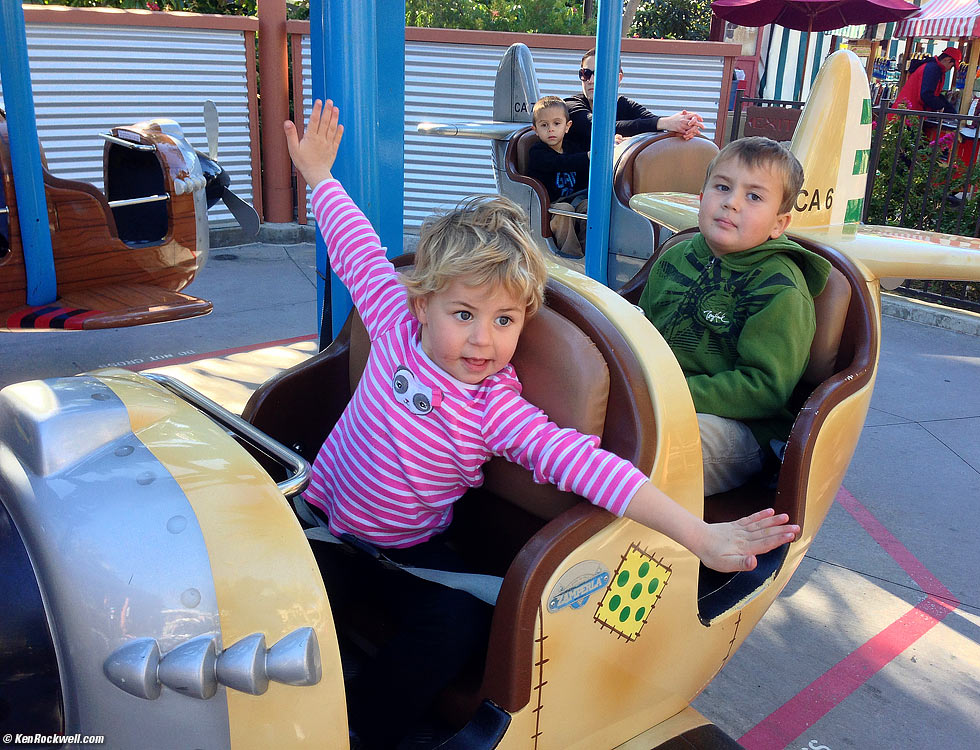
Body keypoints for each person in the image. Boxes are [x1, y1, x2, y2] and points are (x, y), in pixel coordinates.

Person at [284, 100, 799, 749]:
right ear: (424, 301)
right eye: (464, 314)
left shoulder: (496, 407)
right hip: (322, 525)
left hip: (408, 555)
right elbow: (356, 246)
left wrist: (698, 534)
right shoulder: (392, 319)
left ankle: (364, 726)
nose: (482, 340)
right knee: (279, 595)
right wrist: (320, 178)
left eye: (504, 321)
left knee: (457, 622)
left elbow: (595, 469)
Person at [638, 137, 832, 497]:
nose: (732, 202)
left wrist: (666, 395)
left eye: (754, 196)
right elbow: (639, 333)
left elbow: (764, 390)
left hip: (740, 427)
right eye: (722, 187)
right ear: (701, 197)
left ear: (779, 223)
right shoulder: (673, 258)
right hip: (655, 399)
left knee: (651, 454)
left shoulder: (781, 290)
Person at [563, 47, 704, 153]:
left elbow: (655, 126)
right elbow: (596, 126)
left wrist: (684, 128)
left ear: (618, 79)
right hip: (577, 189)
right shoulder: (571, 105)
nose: (591, 80)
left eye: (601, 73)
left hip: (618, 185)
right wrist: (666, 122)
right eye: (586, 74)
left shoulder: (625, 104)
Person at [526, 95, 590, 257]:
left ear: (567, 127)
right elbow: (559, 163)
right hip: (550, 206)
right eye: (544, 125)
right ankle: (572, 256)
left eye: (556, 123)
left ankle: (588, 253)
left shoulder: (573, 147)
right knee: (565, 210)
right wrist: (588, 156)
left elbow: (582, 170)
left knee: (589, 206)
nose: (551, 129)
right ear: (535, 130)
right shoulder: (537, 152)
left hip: (575, 199)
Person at [893, 47, 962, 114]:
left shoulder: (931, 66)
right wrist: (941, 107)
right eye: (952, 66)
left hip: (905, 111)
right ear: (947, 59)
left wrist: (947, 108)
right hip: (910, 113)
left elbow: (932, 94)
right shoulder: (933, 69)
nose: (950, 69)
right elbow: (926, 95)